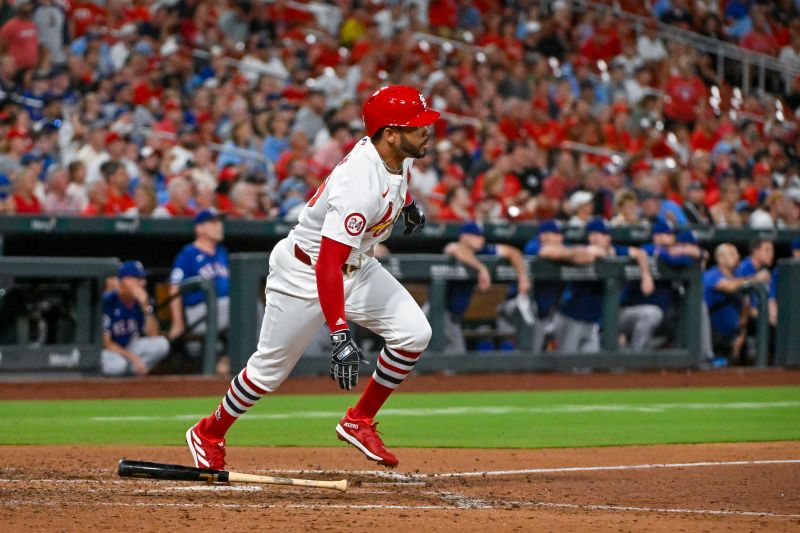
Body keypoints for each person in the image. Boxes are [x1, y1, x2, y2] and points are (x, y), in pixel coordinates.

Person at [185, 85, 437, 470]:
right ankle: (209, 431)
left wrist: (408, 206)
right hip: (306, 271)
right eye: (417, 125)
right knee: (268, 371)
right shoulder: (358, 185)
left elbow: (395, 184)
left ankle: (359, 420)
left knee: (415, 333)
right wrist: (339, 334)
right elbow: (327, 266)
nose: (427, 130)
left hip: (357, 264)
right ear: (389, 133)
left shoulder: (398, 154)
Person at [555, 218, 655, 353]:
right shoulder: (582, 249)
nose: (595, 238)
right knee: (565, 367)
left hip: (593, 322)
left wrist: (646, 275)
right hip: (571, 316)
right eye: (591, 234)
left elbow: (640, 253)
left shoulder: (616, 251)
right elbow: (587, 254)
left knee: (588, 368)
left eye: (600, 234)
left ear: (608, 238)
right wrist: (594, 252)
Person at [441, 221, 531, 353]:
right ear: (464, 237)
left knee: (453, 362)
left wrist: (522, 277)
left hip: (453, 316)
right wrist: (481, 268)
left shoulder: (483, 250)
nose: (482, 239)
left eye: (482, 236)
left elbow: (513, 252)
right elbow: (455, 249)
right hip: (437, 314)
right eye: (477, 236)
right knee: (453, 360)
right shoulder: (454, 248)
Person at [620, 219, 701, 350]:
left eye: (672, 235)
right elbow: (662, 255)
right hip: (628, 312)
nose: (672, 238)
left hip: (657, 316)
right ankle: (635, 358)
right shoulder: (647, 248)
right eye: (667, 235)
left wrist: (691, 251)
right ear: (656, 237)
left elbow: (688, 259)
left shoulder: (676, 252)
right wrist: (683, 250)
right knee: (652, 313)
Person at [168, 208, 231, 342]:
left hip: (223, 310)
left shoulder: (222, 252)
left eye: (219, 222)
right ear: (199, 228)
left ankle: (230, 360)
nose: (219, 226)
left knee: (247, 306)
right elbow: (175, 289)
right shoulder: (188, 254)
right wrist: (177, 323)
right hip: (200, 313)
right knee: (243, 305)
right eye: (213, 222)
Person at [703, 243, 771, 362]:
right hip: (713, 336)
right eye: (732, 254)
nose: (737, 256)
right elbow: (730, 286)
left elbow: (746, 306)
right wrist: (756, 278)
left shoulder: (738, 276)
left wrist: (741, 335)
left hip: (735, 335)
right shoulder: (711, 275)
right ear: (721, 259)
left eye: (737, 253)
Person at [101, 261, 170, 376]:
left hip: (128, 346)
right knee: (118, 366)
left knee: (162, 344)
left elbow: (154, 335)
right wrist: (133, 358)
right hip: (109, 351)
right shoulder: (109, 301)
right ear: (124, 280)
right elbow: (106, 343)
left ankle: (134, 377)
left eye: (143, 279)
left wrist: (145, 307)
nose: (142, 283)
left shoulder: (140, 302)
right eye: (137, 279)